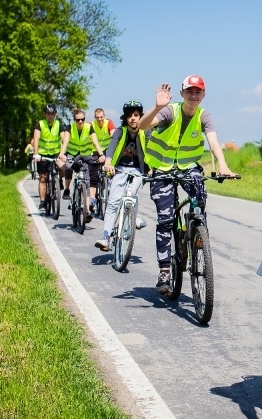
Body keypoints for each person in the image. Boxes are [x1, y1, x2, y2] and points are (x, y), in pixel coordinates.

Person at [137, 76, 236, 295]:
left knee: (199, 196)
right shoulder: (169, 111)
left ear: (203, 95)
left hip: (188, 167)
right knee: (165, 219)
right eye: (189, 92)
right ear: (182, 94)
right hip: (162, 169)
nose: (194, 96)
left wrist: (223, 165)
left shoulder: (204, 115)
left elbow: (212, 140)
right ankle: (164, 270)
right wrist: (156, 107)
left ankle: (198, 236)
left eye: (198, 92)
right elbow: (142, 126)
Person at [94, 101, 148, 251]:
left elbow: (151, 150)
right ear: (125, 118)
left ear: (140, 117)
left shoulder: (145, 132)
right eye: (129, 115)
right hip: (120, 168)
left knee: (133, 193)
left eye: (136, 115)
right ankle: (105, 237)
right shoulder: (120, 131)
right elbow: (112, 147)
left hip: (138, 170)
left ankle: (133, 216)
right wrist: (108, 162)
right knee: (113, 202)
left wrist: (152, 168)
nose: (132, 118)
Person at [58, 109, 105, 219]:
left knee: (87, 181)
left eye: (82, 119)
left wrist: (101, 154)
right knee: (68, 169)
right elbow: (65, 142)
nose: (80, 122)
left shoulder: (89, 127)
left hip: (85, 155)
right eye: (78, 120)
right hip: (72, 154)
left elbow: (95, 142)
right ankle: (67, 189)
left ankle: (87, 210)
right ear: (74, 120)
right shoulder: (70, 127)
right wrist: (62, 154)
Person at [32, 104, 70, 210]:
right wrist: (36, 154)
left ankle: (59, 181)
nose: (50, 116)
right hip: (43, 154)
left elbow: (63, 139)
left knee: (64, 169)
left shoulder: (59, 125)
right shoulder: (40, 124)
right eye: (48, 114)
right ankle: (43, 201)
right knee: (43, 178)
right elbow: (36, 140)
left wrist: (63, 154)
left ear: (55, 115)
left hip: (55, 153)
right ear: (45, 114)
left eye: (52, 114)